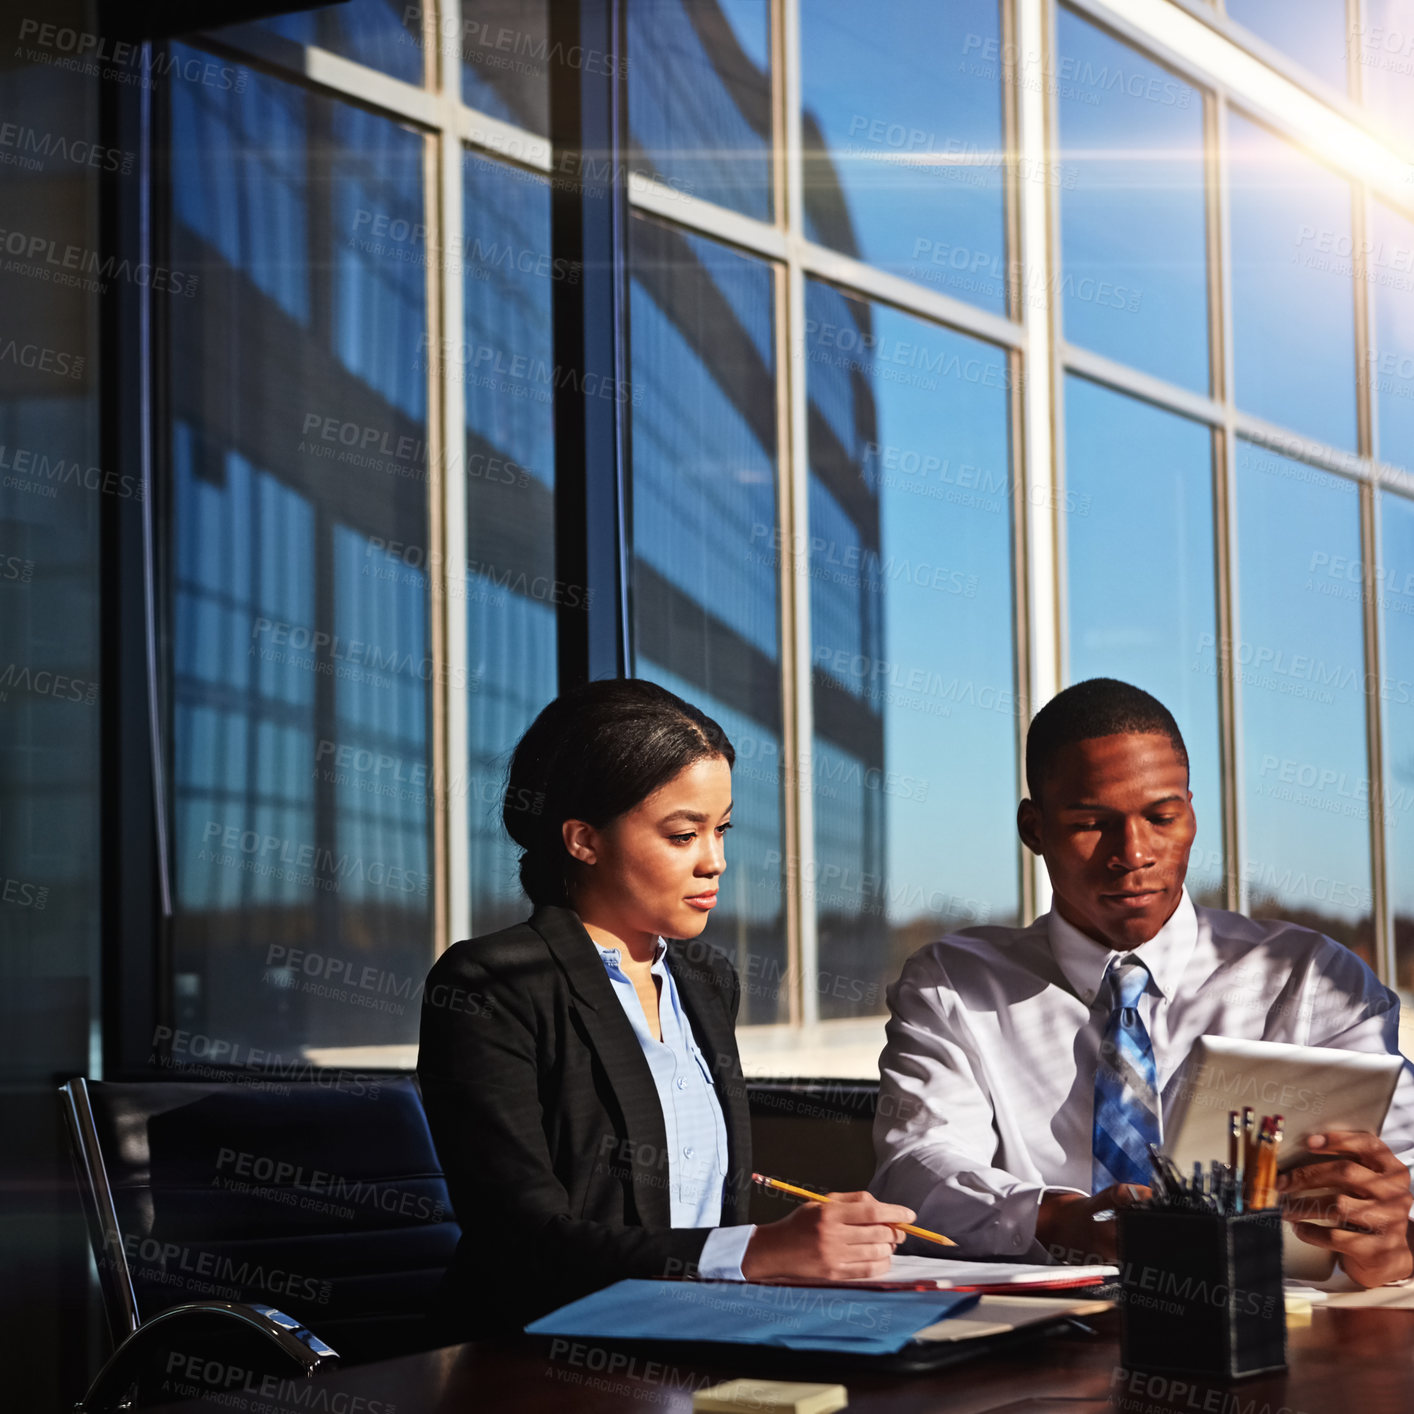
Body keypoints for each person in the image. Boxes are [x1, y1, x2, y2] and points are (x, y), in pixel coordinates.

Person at [872, 677, 1414, 1288]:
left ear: (1191, 814)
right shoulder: (955, 984)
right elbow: (916, 1168)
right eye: (1091, 823)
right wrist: (1063, 1220)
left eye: (1162, 817)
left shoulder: (1313, 979)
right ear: (1034, 829)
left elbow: (1402, 1171)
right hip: (1043, 1340)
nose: (1134, 853)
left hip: (1278, 1328)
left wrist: (1396, 1237)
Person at [419, 678, 914, 1332]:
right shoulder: (493, 985)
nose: (716, 862)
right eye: (684, 835)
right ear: (583, 840)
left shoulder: (706, 979)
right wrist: (762, 1251)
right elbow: (524, 1242)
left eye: (723, 830)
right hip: (544, 1360)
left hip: (704, 1336)